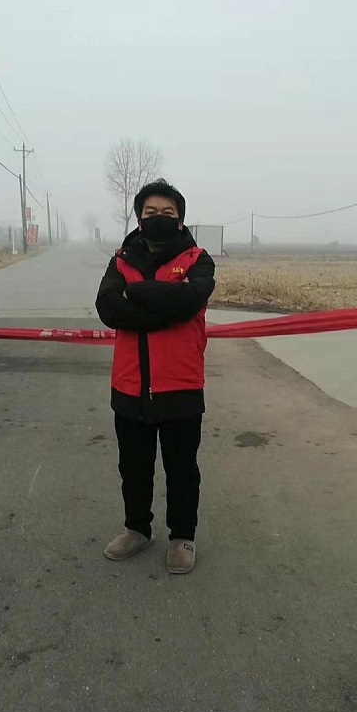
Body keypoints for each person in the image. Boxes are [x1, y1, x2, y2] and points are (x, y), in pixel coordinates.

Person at [95, 179, 215, 574]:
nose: (158, 218)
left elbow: (191, 299)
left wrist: (137, 294)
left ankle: (182, 536)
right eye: (151, 212)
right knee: (133, 468)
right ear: (139, 218)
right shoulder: (120, 260)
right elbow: (108, 307)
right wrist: (167, 304)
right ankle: (137, 529)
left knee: (182, 470)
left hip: (181, 386)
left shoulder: (198, 259)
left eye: (167, 213)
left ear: (180, 220)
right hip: (129, 386)